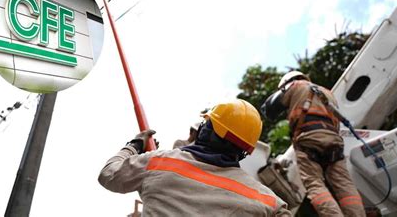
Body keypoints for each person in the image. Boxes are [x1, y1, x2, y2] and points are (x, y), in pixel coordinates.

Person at [98, 99, 291, 216]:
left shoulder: (159, 162)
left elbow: (109, 174)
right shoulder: (266, 200)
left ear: (208, 130)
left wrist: (134, 146)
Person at [260, 71, 366, 217]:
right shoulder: (327, 93)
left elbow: (269, 108)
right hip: (334, 142)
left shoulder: (295, 85)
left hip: (308, 140)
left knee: (315, 185)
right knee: (345, 185)